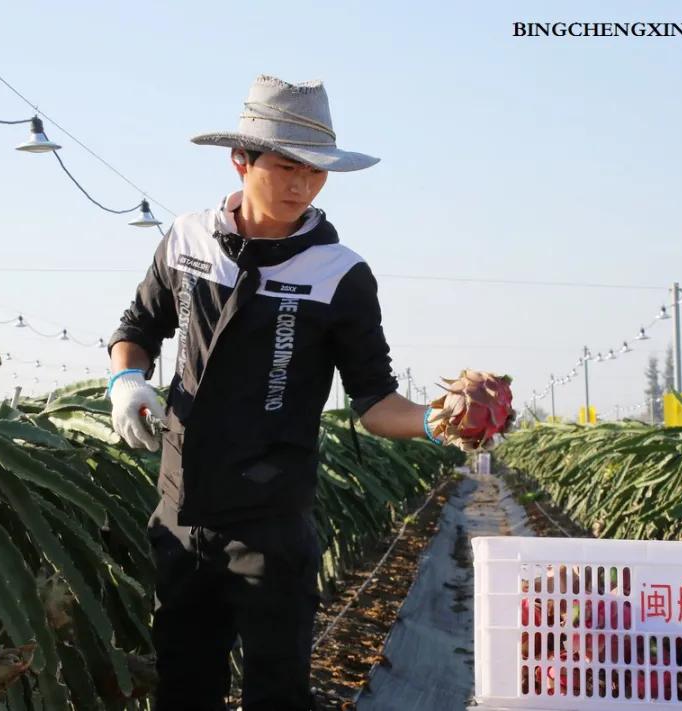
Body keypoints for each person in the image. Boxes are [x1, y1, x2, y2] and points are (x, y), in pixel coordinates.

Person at [107, 74, 453, 711]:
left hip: (270, 520)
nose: (300, 185)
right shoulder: (187, 240)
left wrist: (439, 421)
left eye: (316, 173)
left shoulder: (338, 273)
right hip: (179, 510)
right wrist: (127, 380)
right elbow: (138, 328)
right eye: (285, 166)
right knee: (183, 684)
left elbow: (375, 401)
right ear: (240, 160)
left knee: (277, 688)